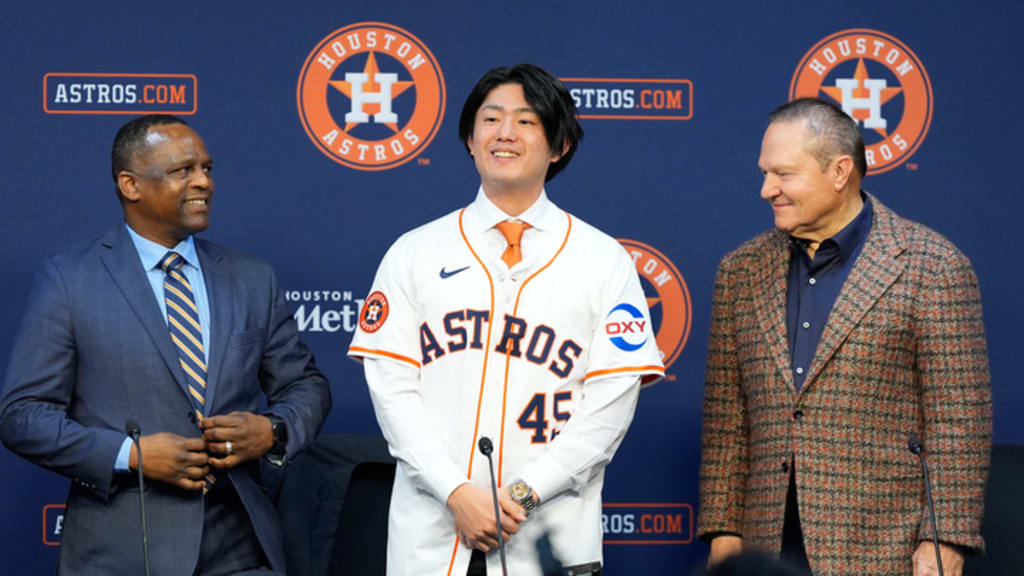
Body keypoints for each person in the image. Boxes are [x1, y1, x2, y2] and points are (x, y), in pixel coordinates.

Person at [348, 64, 664, 576]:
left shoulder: (602, 259)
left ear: (558, 146)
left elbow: (609, 406)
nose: (505, 133)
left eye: (526, 121)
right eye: (490, 119)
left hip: (548, 533)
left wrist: (521, 493)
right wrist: (457, 492)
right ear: (470, 140)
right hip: (433, 536)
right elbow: (392, 393)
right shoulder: (414, 252)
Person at [0, 114, 331, 576]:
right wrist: (130, 456)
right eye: (183, 171)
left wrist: (271, 431)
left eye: (208, 169)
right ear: (130, 185)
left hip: (240, 548)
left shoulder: (251, 277)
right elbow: (23, 415)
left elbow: (307, 386)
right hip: (119, 552)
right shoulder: (70, 279)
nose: (204, 183)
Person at [697, 98, 991, 576]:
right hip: (765, 546)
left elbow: (958, 422)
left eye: (783, 175)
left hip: (883, 547)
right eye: (765, 173)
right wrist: (723, 530)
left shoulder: (932, 266)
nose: (766, 189)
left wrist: (945, 539)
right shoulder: (740, 271)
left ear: (840, 171)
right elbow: (726, 419)